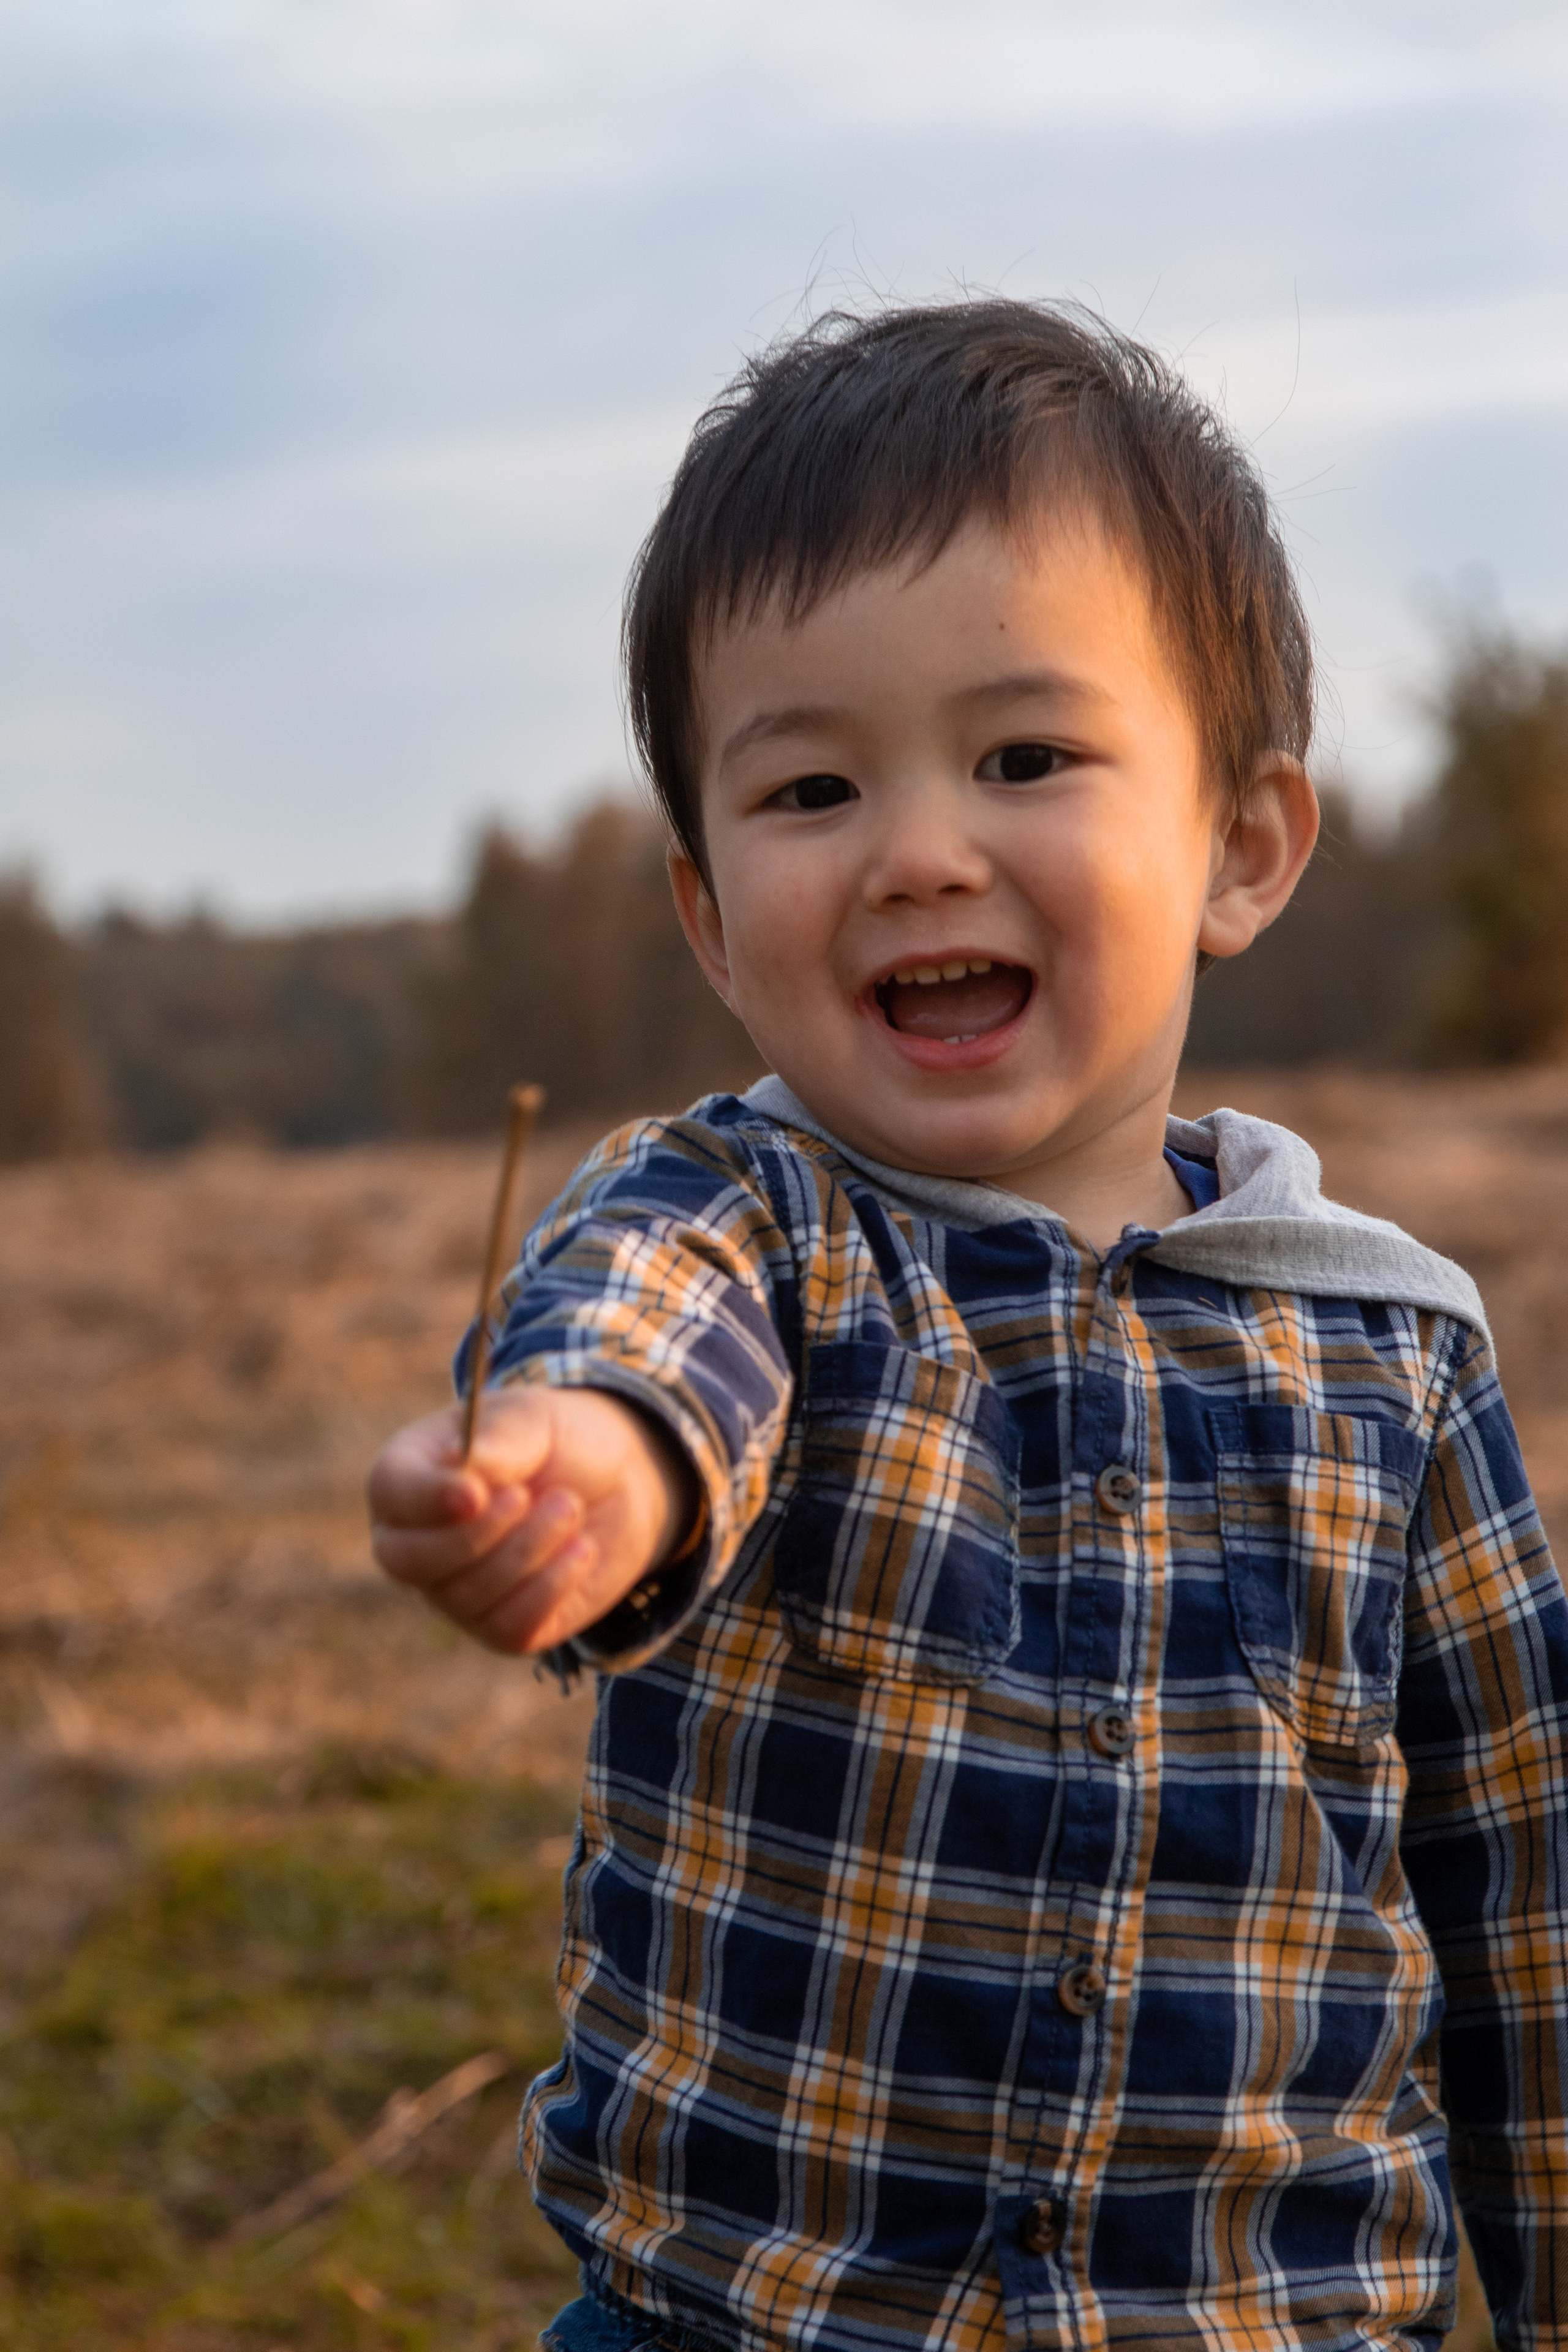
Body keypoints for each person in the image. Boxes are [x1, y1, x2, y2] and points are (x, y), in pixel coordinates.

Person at [367, 301, 1568, 2352]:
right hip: (751, 2317)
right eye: (814, 786)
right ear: (711, 912)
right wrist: (596, 1463)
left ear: (1242, 843)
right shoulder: (751, 1218)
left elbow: (1522, 1887)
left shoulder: (1396, 1355)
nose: (922, 851)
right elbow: (658, 1342)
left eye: (1026, 757)